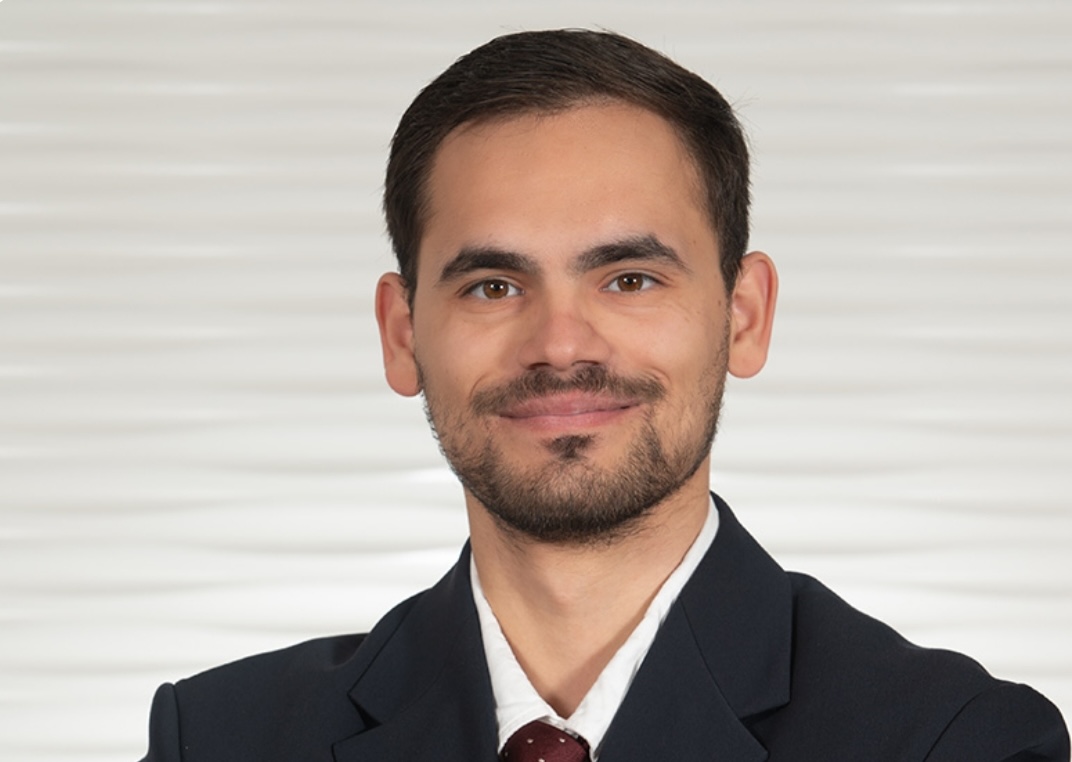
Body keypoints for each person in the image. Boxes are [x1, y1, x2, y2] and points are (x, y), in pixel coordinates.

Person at [139, 29, 1069, 761]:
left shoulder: (953, 742)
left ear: (744, 316)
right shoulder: (219, 738)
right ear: (402, 333)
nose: (560, 345)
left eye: (629, 279)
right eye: (492, 286)